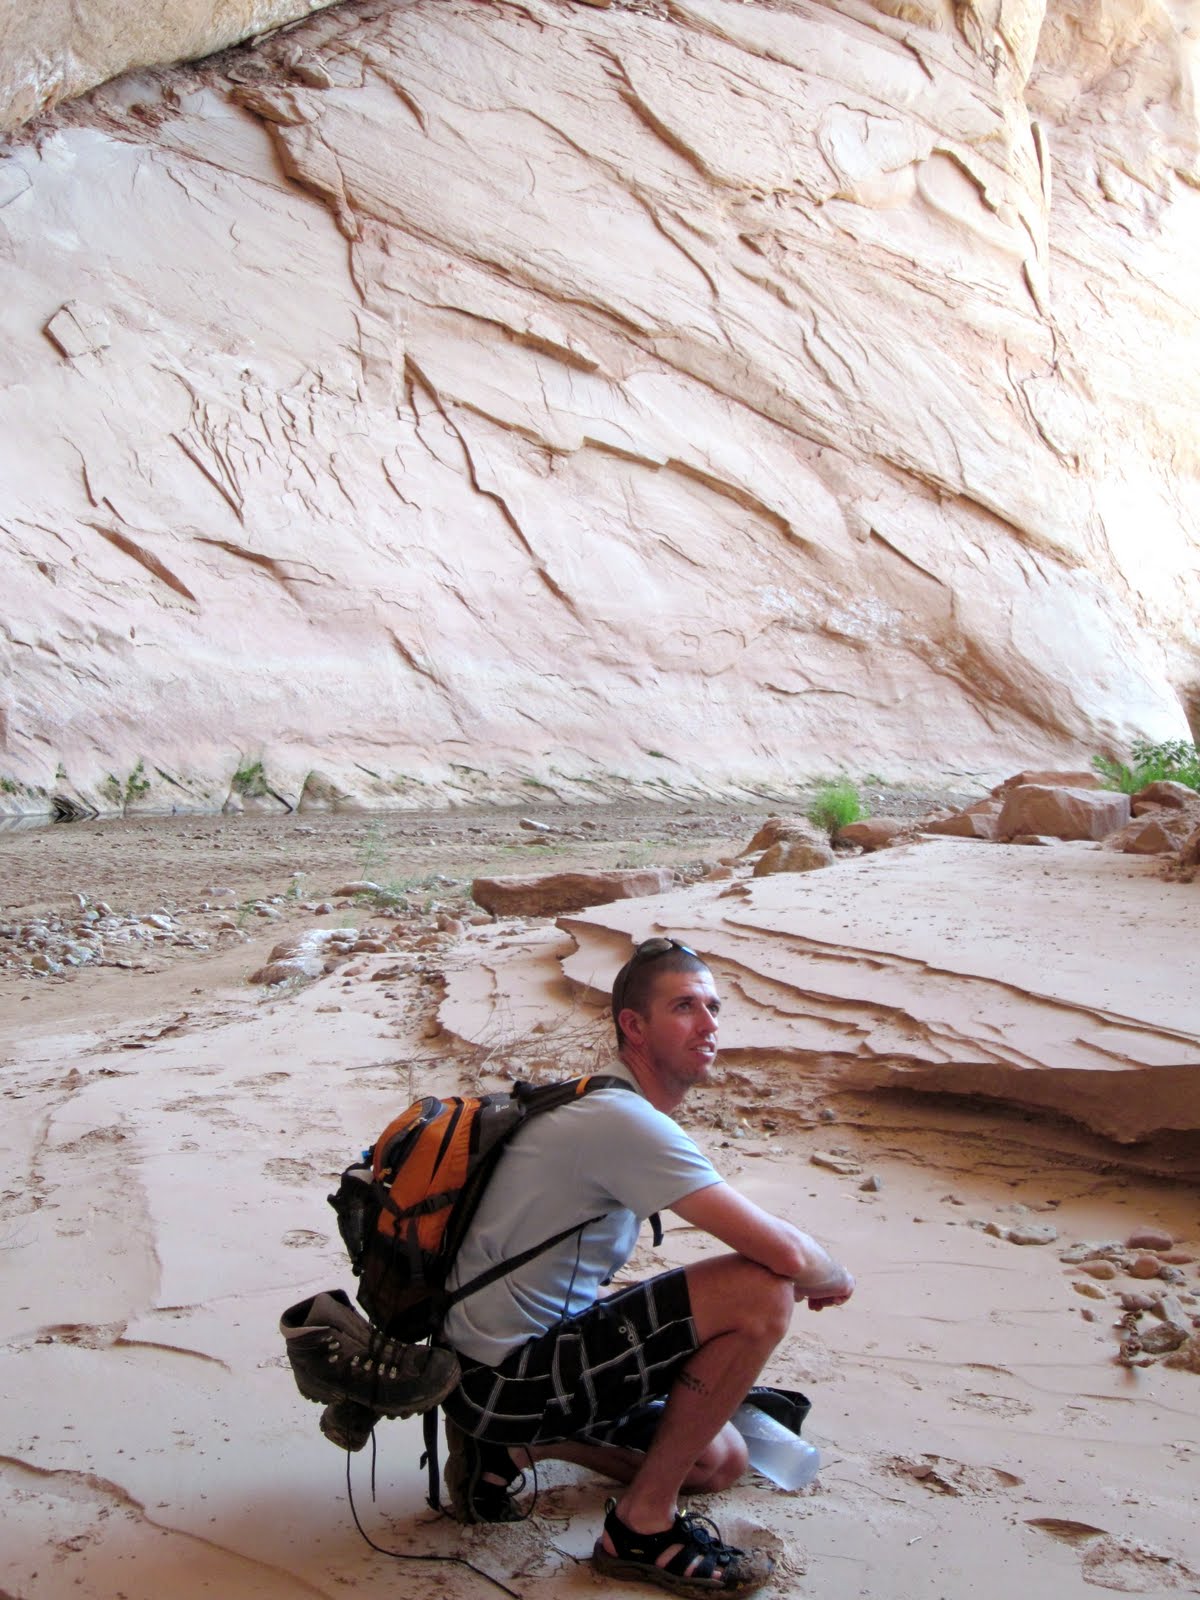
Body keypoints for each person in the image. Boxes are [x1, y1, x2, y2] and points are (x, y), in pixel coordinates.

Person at [439, 936, 855, 1597]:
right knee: (760, 1291)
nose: (708, 1023)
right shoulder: (621, 1120)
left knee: (719, 1461)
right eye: (685, 1007)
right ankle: (640, 1527)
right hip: (506, 1375)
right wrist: (831, 1274)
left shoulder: (599, 1098)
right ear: (634, 1026)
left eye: (714, 1007)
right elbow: (784, 1255)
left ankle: (515, 1448)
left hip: (490, 1365)